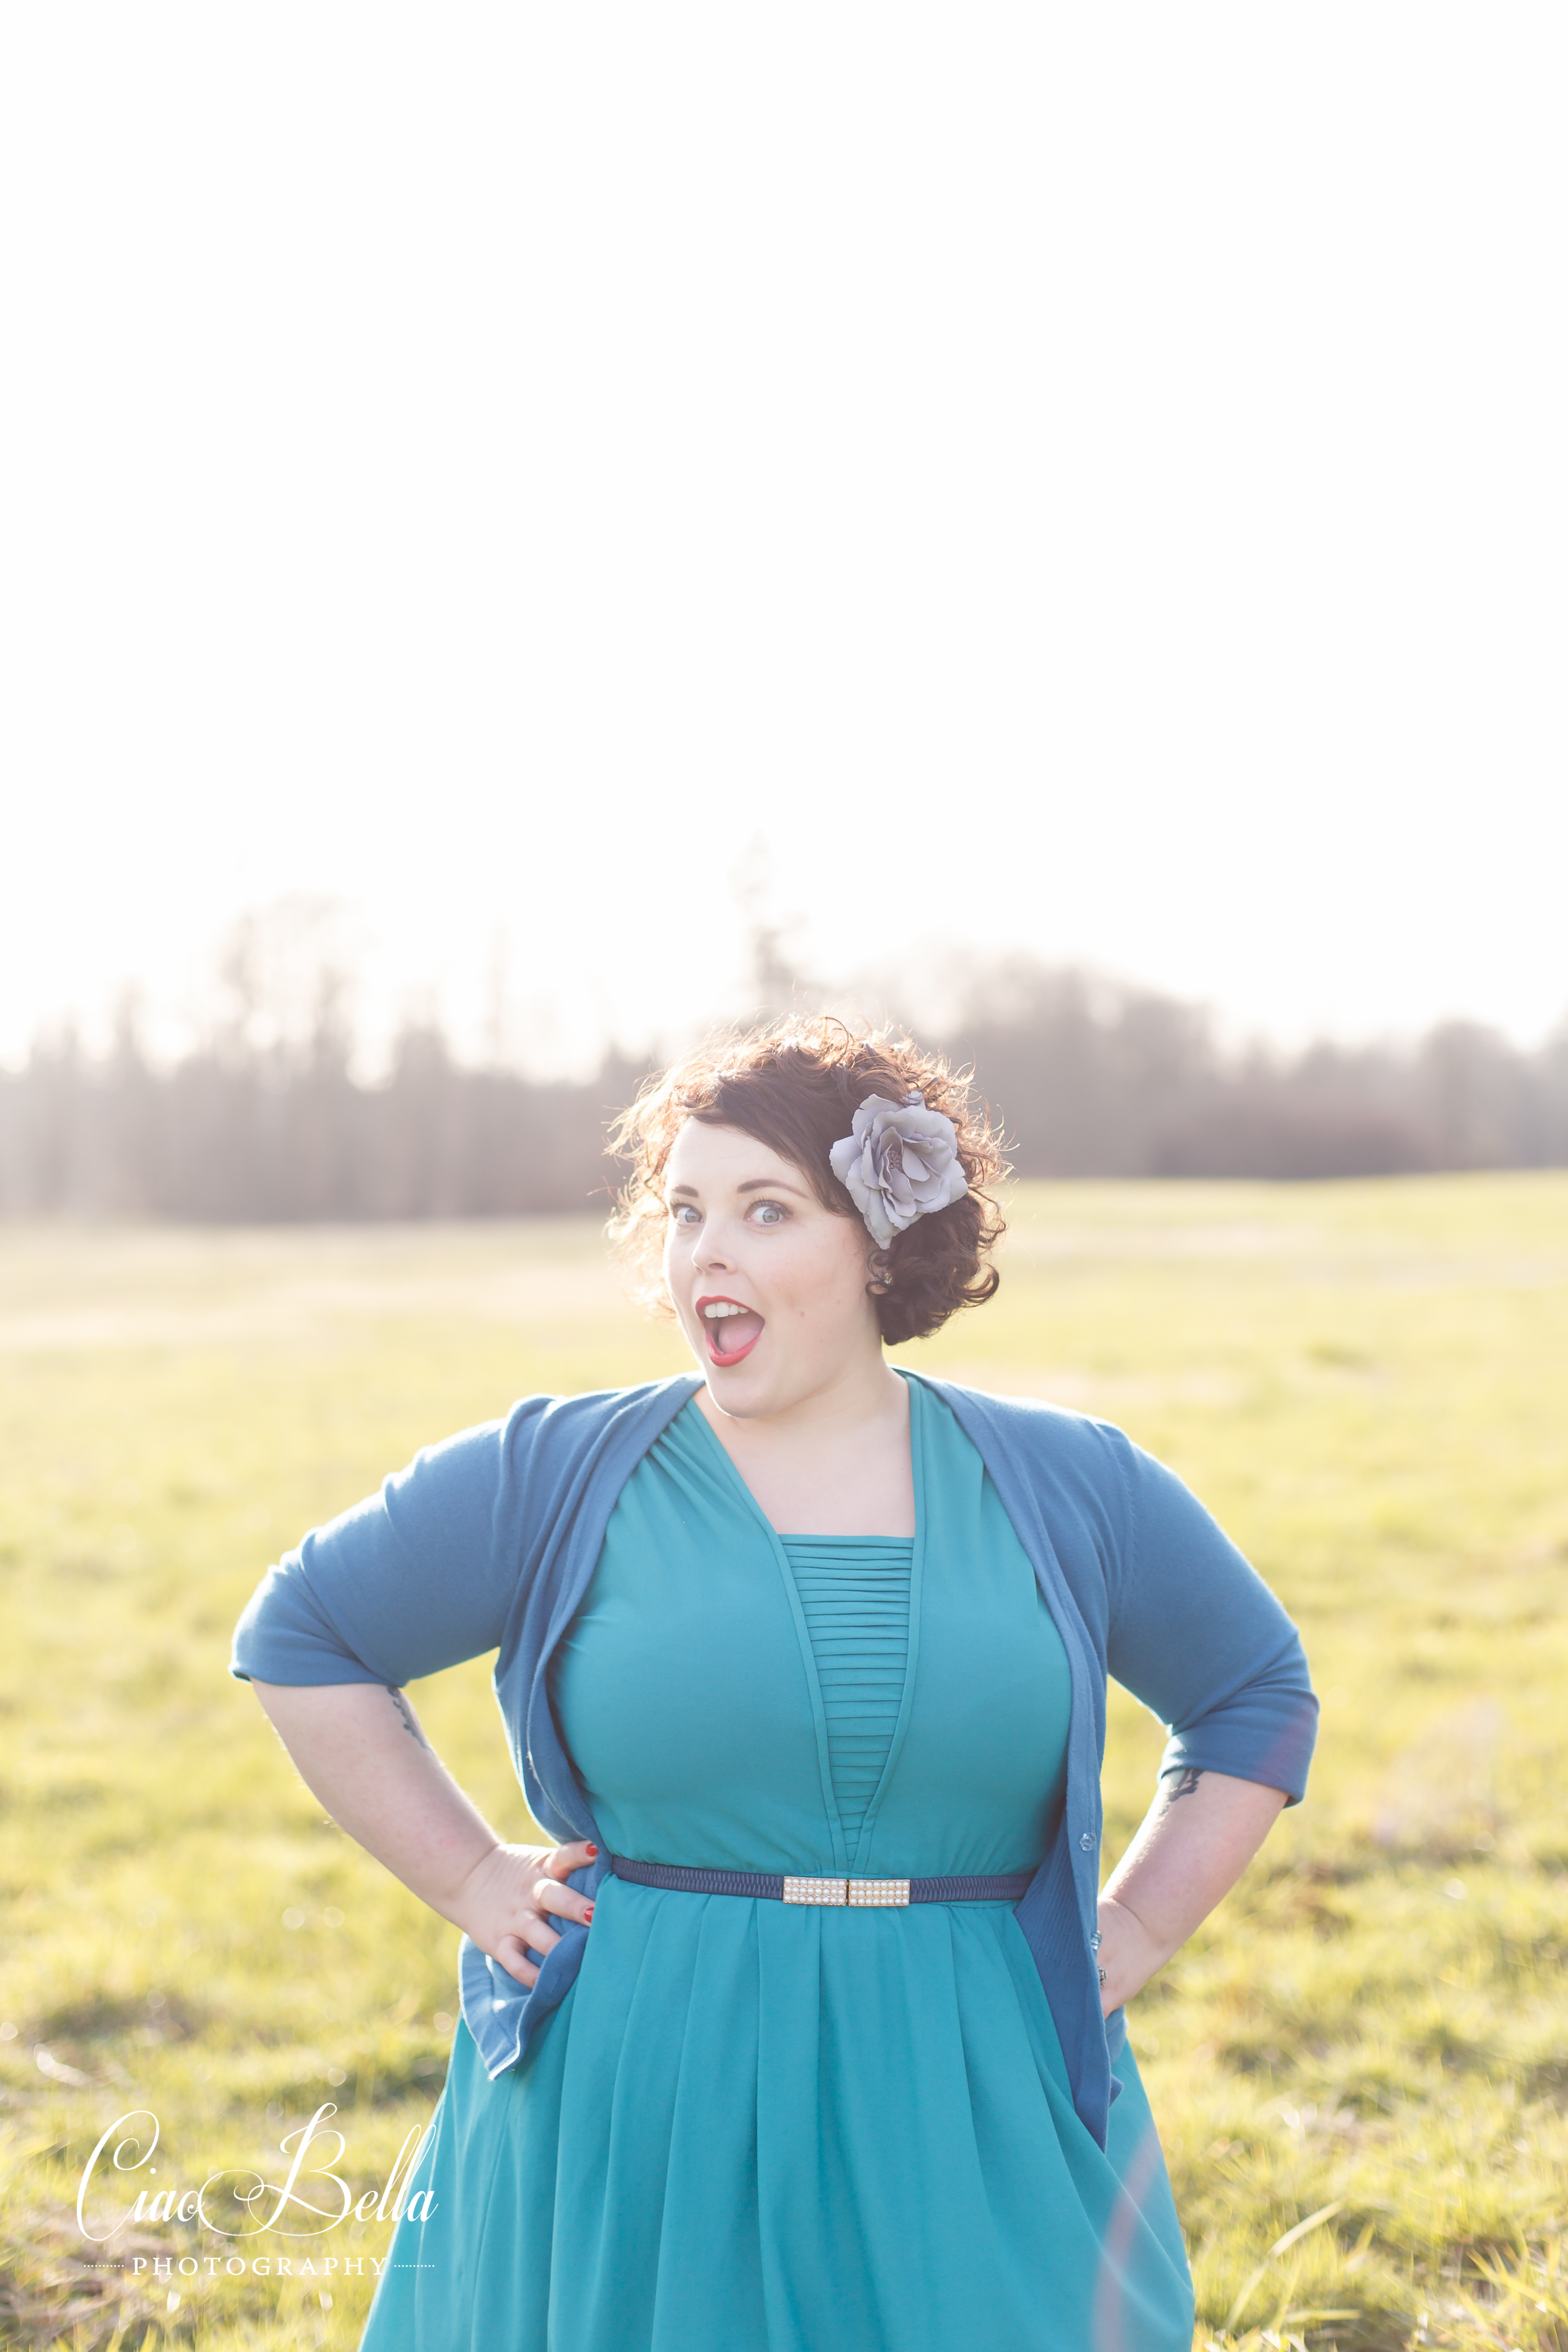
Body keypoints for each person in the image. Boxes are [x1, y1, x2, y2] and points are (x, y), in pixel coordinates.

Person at [232, 1016, 1317, 2352]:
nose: (707, 1251)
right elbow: (305, 1632)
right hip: (643, 2079)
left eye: (765, 1208)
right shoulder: (555, 1470)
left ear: (877, 1244)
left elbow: (1254, 1689)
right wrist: (468, 1876)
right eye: (684, 1210)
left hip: (972, 2071)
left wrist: (1138, 1925)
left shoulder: (1071, 1480)